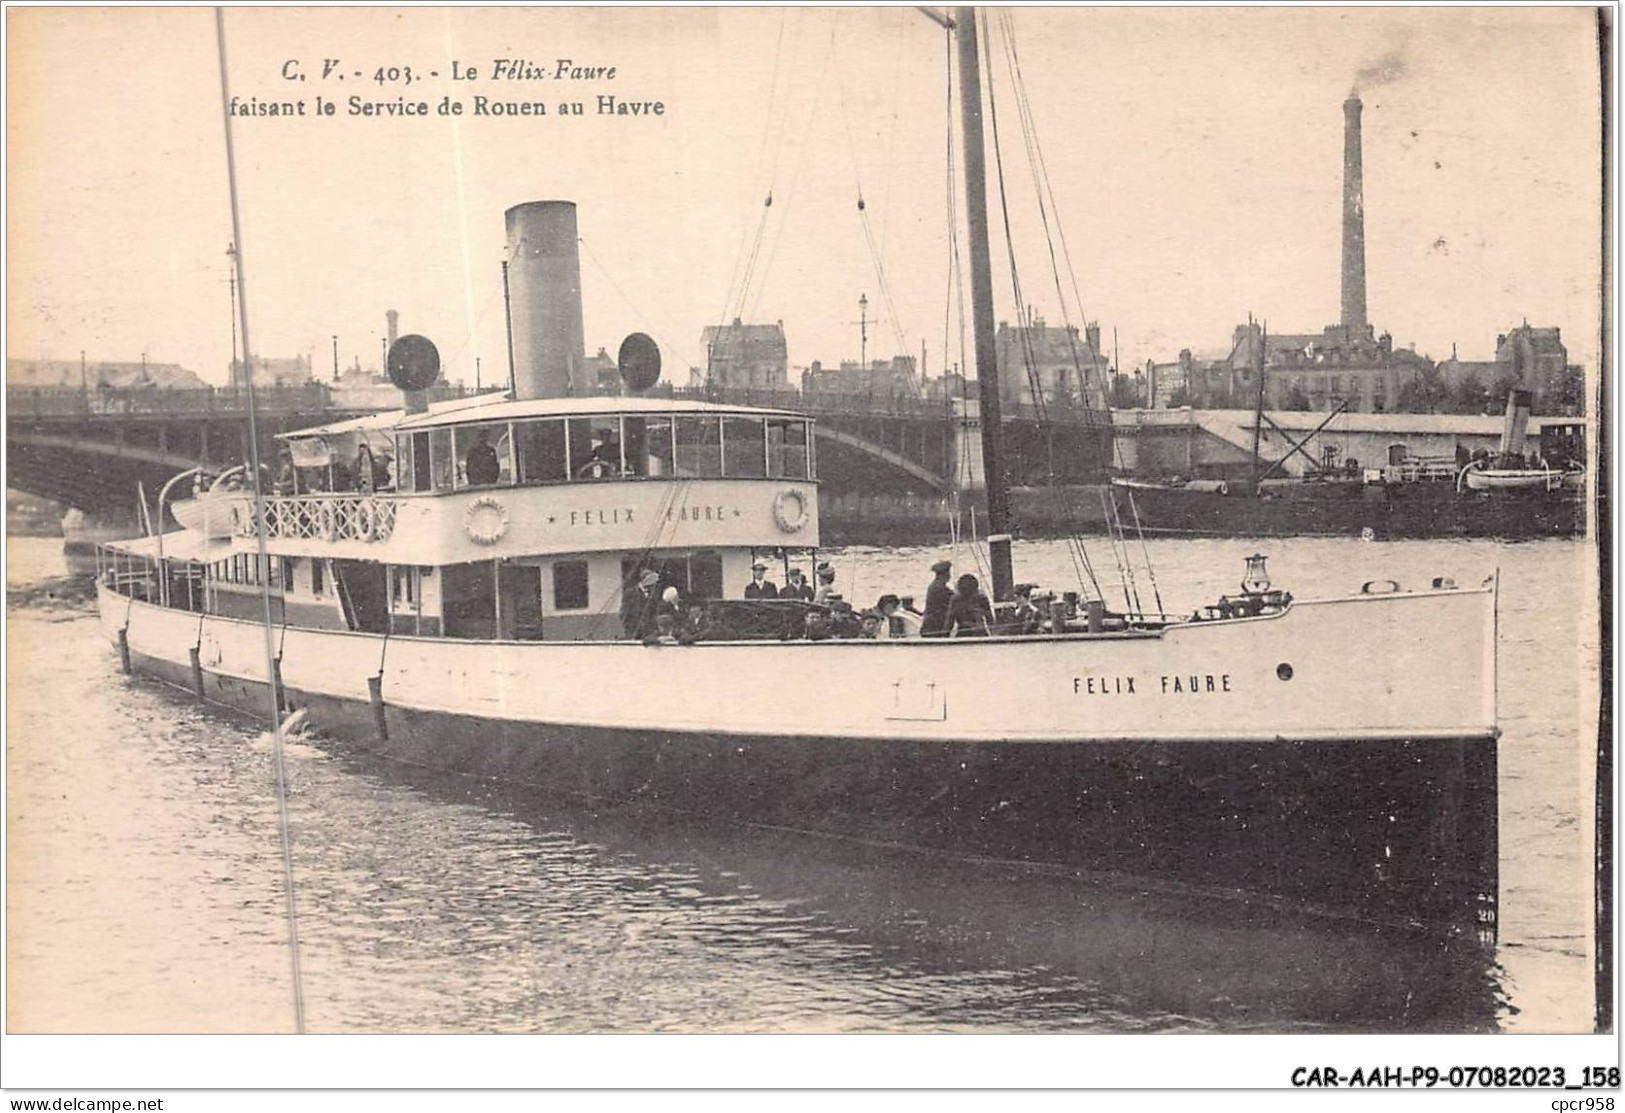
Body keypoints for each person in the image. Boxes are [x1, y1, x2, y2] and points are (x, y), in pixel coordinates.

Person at [947, 572, 994, 637]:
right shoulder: (956, 600)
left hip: (976, 634)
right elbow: (949, 622)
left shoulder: (981, 599)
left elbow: (949, 623)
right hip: (968, 634)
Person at [620, 569, 661, 640]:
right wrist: (629, 629)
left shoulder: (652, 594)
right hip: (633, 631)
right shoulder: (630, 593)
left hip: (648, 632)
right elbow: (624, 613)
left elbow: (654, 612)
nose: (654, 585)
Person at [921, 560, 953, 637]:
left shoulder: (935, 586)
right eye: (947, 573)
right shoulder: (939, 588)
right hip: (935, 627)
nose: (949, 576)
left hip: (933, 625)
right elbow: (950, 601)